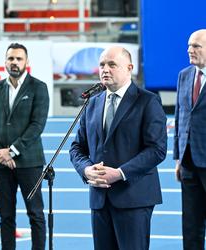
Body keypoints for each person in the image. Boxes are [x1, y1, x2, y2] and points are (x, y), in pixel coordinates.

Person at [69, 46, 167, 250]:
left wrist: (121, 173)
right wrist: (86, 170)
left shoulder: (148, 101)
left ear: (129, 68)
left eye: (112, 64)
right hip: (99, 199)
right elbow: (77, 147)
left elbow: (157, 149)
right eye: (102, 65)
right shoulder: (92, 103)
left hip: (133, 197)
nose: (105, 69)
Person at [0, 43, 49, 250]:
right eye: (10, 58)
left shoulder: (39, 87)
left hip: (30, 163)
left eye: (19, 59)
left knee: (36, 215)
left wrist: (12, 151)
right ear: (5, 62)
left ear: (27, 62)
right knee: (6, 216)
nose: (14, 62)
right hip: (1, 164)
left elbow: (37, 125)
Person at [174, 29, 206, 250]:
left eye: (196, 46)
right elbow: (179, 116)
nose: (189, 50)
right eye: (188, 46)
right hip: (188, 162)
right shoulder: (184, 75)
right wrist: (177, 158)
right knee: (191, 226)